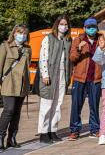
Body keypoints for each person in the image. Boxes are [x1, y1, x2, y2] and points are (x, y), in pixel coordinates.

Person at [0, 24, 32, 151]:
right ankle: (0, 138)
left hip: (22, 85)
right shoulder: (5, 46)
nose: (22, 35)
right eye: (20, 33)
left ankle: (12, 138)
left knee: (16, 112)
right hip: (9, 83)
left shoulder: (28, 49)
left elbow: (27, 66)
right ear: (14, 33)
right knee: (8, 110)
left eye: (25, 33)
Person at [68, 18, 105, 140]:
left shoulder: (102, 40)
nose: (92, 29)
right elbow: (72, 58)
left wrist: (103, 47)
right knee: (76, 105)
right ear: (84, 28)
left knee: (94, 105)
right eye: (89, 27)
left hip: (95, 78)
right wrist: (79, 48)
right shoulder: (78, 40)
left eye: (94, 27)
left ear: (97, 28)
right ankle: (75, 130)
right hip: (80, 78)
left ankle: (95, 129)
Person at [38, 15, 73, 143]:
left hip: (63, 75)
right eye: (61, 24)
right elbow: (43, 57)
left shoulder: (69, 40)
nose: (63, 26)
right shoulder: (49, 38)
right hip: (50, 75)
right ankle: (43, 132)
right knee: (47, 105)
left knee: (58, 104)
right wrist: (45, 75)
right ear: (57, 25)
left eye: (66, 24)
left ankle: (53, 131)